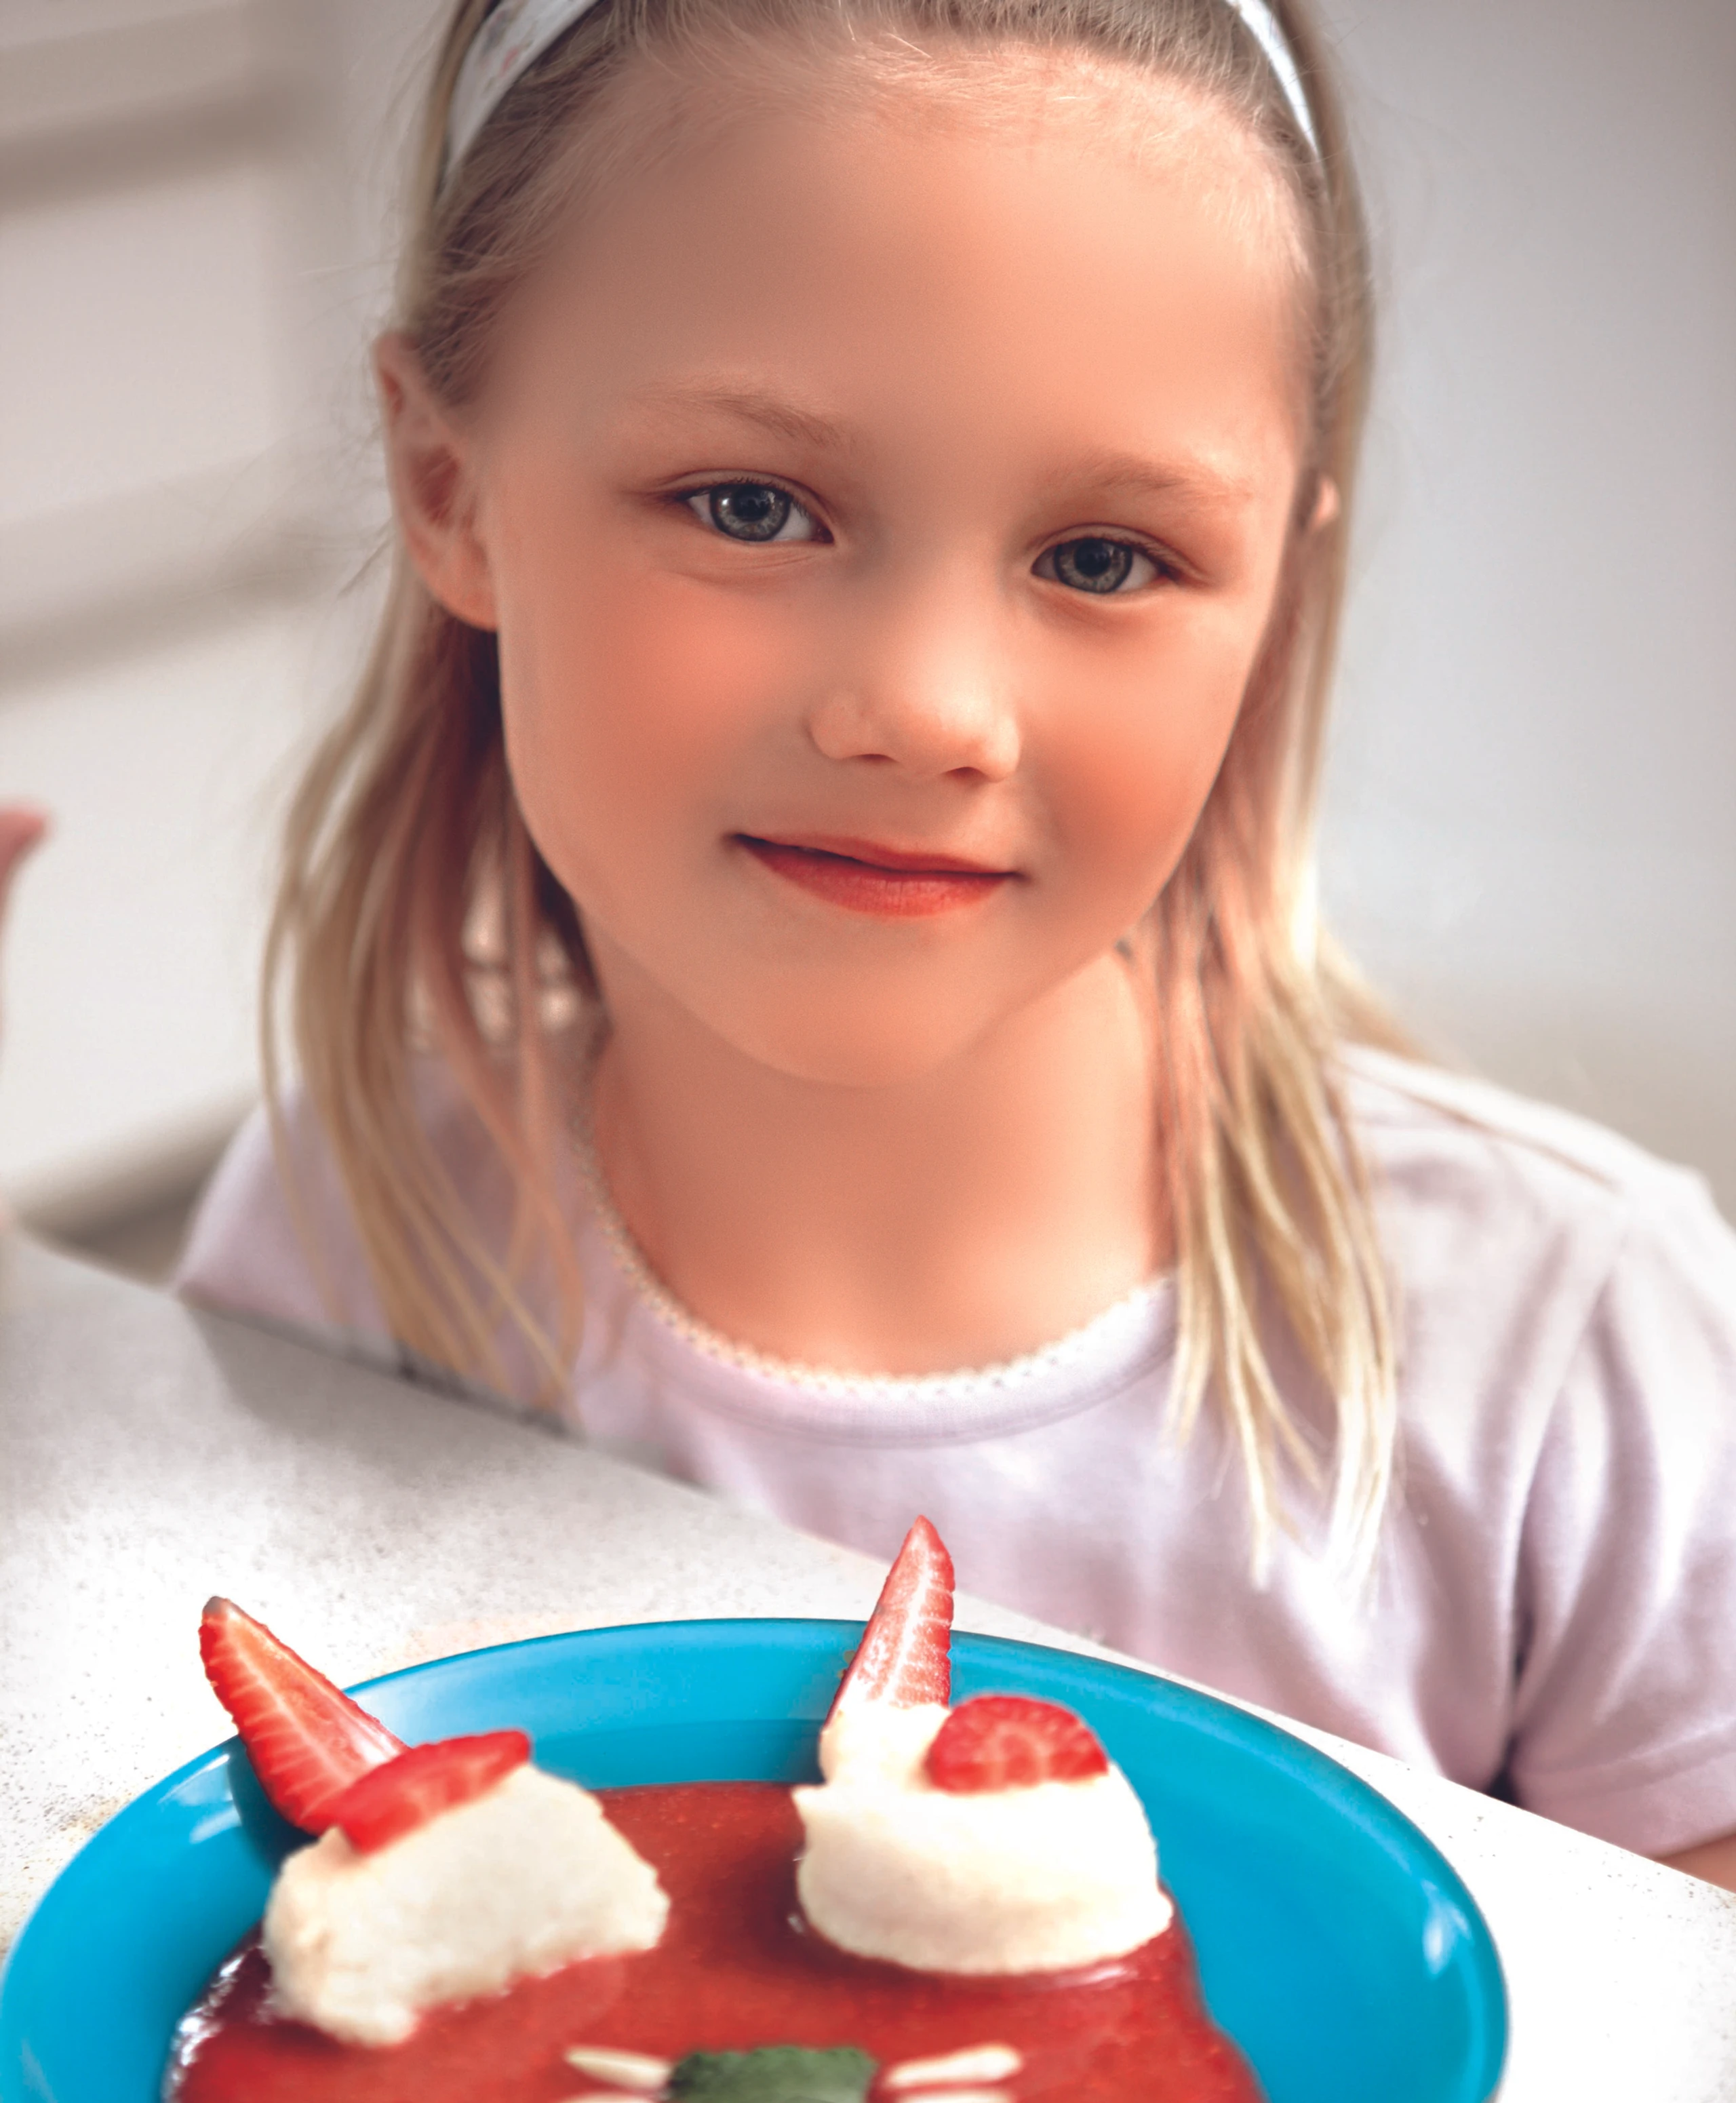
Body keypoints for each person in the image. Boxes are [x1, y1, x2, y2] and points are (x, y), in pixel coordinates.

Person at [172, 0, 1736, 1882]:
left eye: (1102, 557)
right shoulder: (329, 1247)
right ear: (447, 489)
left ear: (1279, 597)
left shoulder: (1592, 1367)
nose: (927, 709)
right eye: (753, 507)